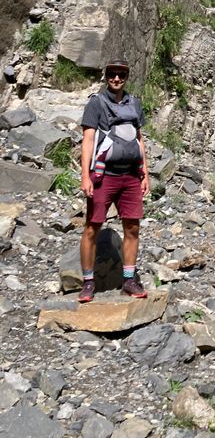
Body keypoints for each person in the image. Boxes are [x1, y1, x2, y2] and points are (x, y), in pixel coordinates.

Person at [78, 59, 149, 302]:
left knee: (132, 227)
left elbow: (140, 139)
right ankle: (88, 281)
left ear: (127, 77)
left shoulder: (135, 104)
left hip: (130, 175)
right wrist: (85, 175)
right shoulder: (96, 104)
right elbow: (87, 140)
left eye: (121, 74)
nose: (116, 78)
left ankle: (128, 280)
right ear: (106, 76)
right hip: (103, 175)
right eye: (112, 74)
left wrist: (145, 173)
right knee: (92, 227)